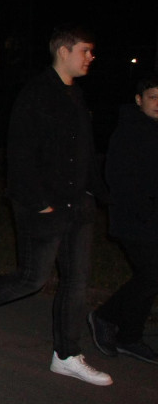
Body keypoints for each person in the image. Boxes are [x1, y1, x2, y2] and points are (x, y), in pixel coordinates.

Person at [0, 26, 112, 386]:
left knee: (77, 281)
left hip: (78, 205)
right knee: (32, 278)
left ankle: (66, 354)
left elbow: (84, 150)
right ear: (64, 51)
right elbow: (20, 152)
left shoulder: (76, 95)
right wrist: (38, 203)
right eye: (85, 50)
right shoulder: (37, 93)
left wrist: (96, 193)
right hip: (43, 205)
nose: (90, 57)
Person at [88, 74, 158, 364]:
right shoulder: (129, 132)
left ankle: (130, 336)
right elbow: (118, 179)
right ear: (139, 100)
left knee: (151, 278)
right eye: (153, 97)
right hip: (135, 220)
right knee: (153, 275)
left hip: (152, 220)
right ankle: (104, 317)